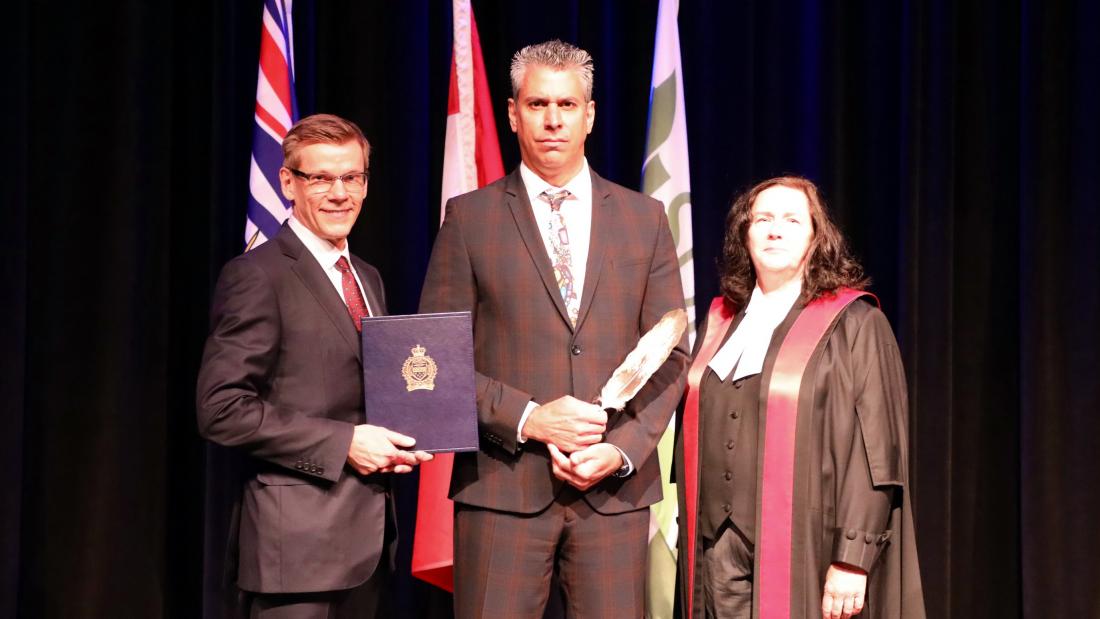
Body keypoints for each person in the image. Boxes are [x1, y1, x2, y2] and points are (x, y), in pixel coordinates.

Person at [419, 40, 690, 617]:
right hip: (502, 490)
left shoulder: (644, 220)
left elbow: (670, 355)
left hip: (611, 496)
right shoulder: (470, 219)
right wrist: (528, 418)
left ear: (589, 115)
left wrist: (619, 451)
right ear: (513, 113)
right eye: (537, 103)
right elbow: (435, 360)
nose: (552, 120)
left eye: (567, 105)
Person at [196, 113, 431, 618]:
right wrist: (345, 444)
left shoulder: (367, 277)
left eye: (352, 177)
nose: (339, 193)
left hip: (367, 545)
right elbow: (221, 409)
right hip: (294, 551)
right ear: (288, 182)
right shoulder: (257, 276)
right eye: (320, 177)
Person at [675, 177, 925, 619]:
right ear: (744, 235)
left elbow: (877, 452)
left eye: (792, 220)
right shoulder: (720, 325)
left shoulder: (856, 325)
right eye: (763, 219)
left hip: (809, 546)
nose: (775, 230)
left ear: (816, 237)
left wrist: (853, 555)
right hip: (717, 548)